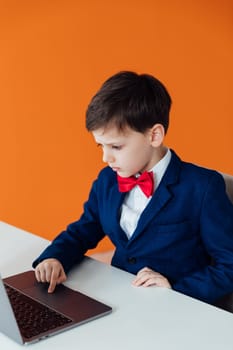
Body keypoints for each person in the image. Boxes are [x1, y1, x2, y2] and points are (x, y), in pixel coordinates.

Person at [33, 71, 233, 305]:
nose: (105, 158)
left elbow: (229, 265)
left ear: (154, 135)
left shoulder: (203, 187)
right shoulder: (107, 179)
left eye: (116, 146)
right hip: (120, 299)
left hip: (177, 308)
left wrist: (176, 290)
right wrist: (55, 257)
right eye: (101, 146)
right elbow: (83, 230)